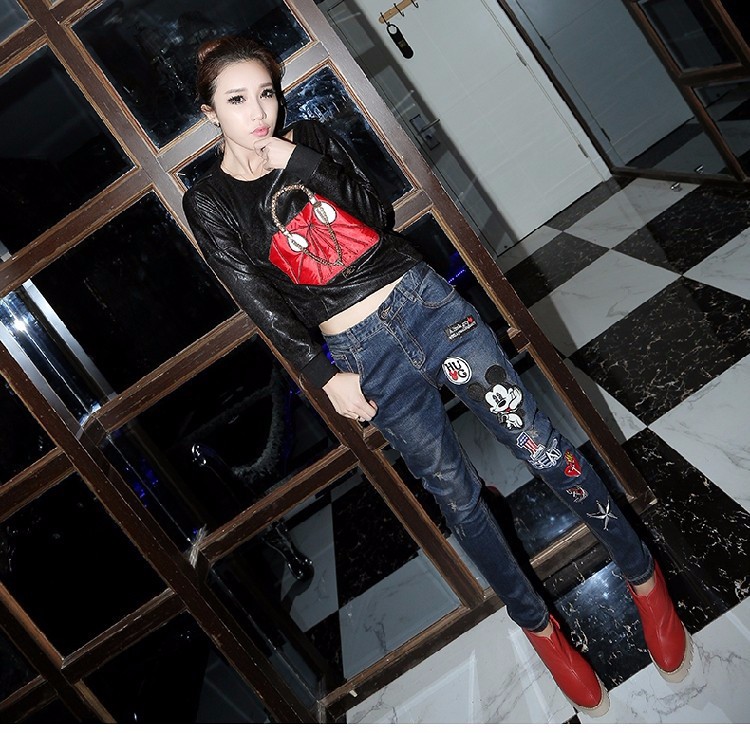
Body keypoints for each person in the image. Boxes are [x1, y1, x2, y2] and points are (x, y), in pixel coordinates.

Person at [182, 35, 692, 717]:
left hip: (426, 309)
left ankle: (643, 575)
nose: (258, 113)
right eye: (238, 100)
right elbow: (260, 301)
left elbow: (377, 213)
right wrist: (324, 375)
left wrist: (297, 161)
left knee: (540, 445)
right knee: (457, 497)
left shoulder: (309, 141)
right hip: (361, 357)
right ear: (210, 112)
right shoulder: (210, 201)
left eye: (266, 94)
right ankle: (539, 629)